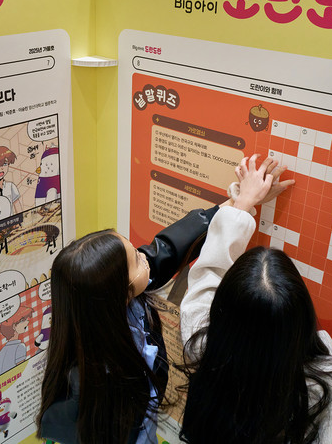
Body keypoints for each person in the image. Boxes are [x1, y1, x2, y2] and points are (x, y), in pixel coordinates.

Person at [37, 156, 291, 444]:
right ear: (120, 292)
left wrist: (239, 202)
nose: (145, 256)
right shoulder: (93, 386)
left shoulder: (104, 302)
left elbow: (169, 247)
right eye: (136, 259)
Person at [179, 155, 332, 444]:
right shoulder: (328, 386)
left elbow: (208, 275)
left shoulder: (203, 346)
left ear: (222, 310)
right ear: (301, 318)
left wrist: (242, 203)